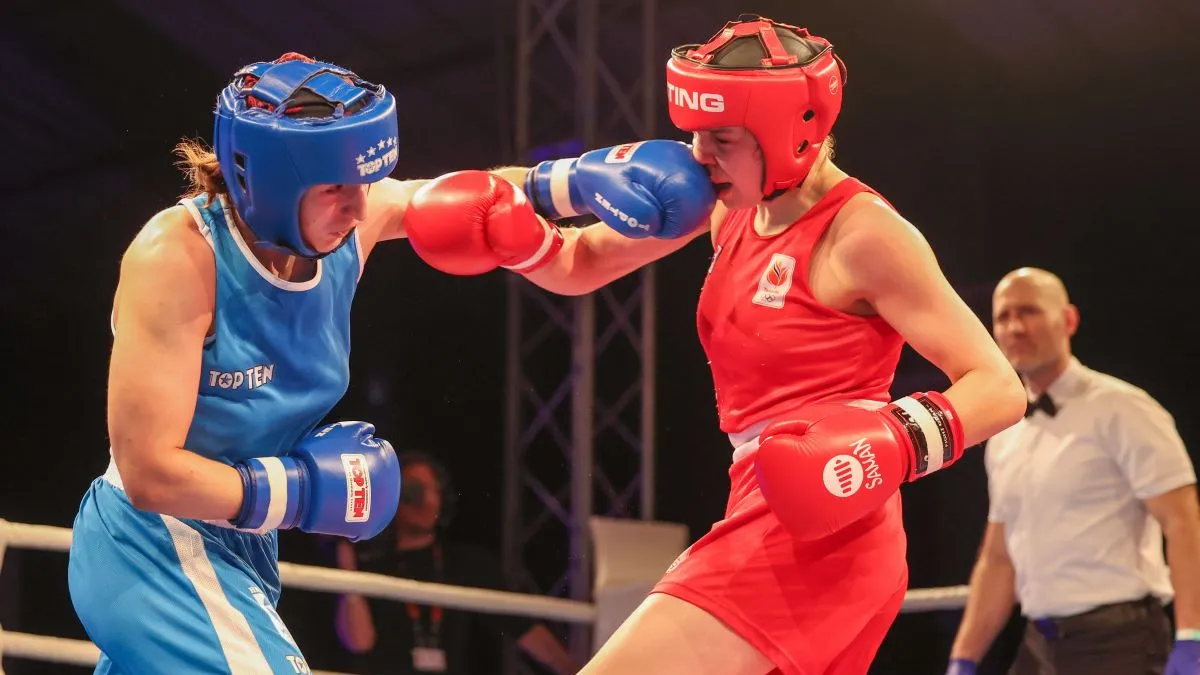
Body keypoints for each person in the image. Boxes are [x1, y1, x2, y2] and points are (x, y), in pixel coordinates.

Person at [399, 14, 1027, 675]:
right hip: (761, 503)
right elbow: (581, 262)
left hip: (827, 528)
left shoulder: (862, 234)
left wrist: (891, 442)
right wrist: (513, 227)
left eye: (722, 138)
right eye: (696, 133)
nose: (699, 155)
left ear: (793, 133)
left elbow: (998, 386)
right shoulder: (728, 206)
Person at [65, 52, 558, 674]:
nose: (359, 208)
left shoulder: (349, 226)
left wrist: (572, 183)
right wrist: (300, 490)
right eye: (334, 188)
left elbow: (473, 199)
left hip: (242, 544)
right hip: (154, 542)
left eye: (363, 183)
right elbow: (148, 473)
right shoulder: (177, 258)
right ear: (268, 181)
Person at [945, 267, 1200, 675]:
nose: (1015, 327)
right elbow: (998, 557)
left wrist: (1193, 636)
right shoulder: (1005, 434)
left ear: (1068, 320)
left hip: (1120, 640)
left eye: (1028, 311)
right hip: (1040, 642)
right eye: (1003, 317)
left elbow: (1183, 521)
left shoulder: (1123, 409)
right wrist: (963, 657)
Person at [334, 451, 580, 675]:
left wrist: (580, 671)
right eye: (414, 490)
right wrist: (347, 567)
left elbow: (522, 627)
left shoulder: (465, 563)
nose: (424, 500)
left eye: (433, 490)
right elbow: (359, 642)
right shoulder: (374, 566)